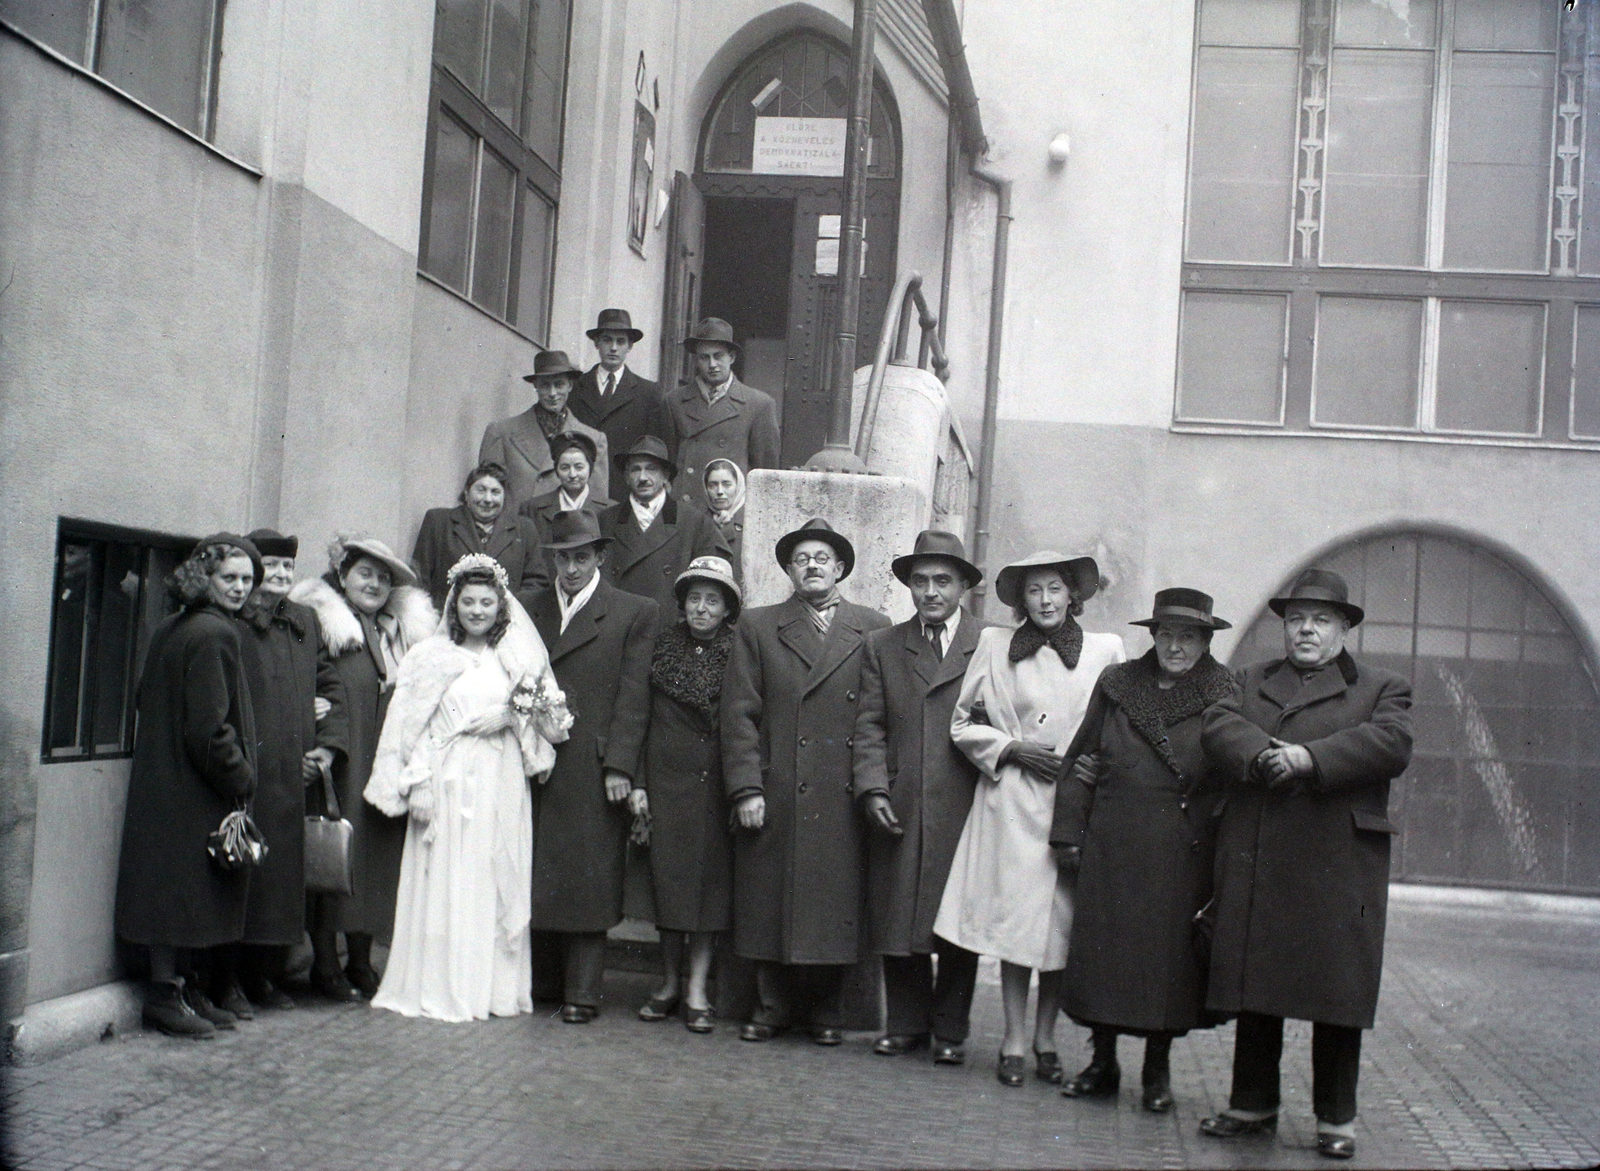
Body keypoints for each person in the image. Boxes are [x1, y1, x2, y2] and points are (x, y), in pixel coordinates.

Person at [1198, 569, 1413, 1161]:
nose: (1307, 630)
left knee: (1337, 993)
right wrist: (1269, 755)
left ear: (1344, 628)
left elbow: (1392, 743)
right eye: (1296, 619)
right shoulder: (1248, 680)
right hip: (1263, 852)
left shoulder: (1383, 686)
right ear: (1284, 626)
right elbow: (1217, 725)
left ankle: (1336, 1118)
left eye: (1321, 620)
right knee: (1257, 984)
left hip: (1339, 865)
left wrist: (1309, 758)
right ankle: (1252, 1104)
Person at [936, 551, 1126, 1087]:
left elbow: (1120, 723)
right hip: (1014, 799)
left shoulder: (1105, 650)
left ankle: (1047, 1037)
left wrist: (1093, 764)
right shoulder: (997, 645)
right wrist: (1012, 748)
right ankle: (1015, 1037)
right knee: (1019, 922)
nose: (1045, 601)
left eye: (1054, 590)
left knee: (1061, 926)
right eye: (1034, 591)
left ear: (1073, 596)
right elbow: (961, 722)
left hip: (1074, 802)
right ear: (1021, 600)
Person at [1050, 588, 1237, 1112]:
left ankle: (1157, 1072)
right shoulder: (1117, 685)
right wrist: (1069, 833)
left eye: (1189, 636)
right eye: (1167, 634)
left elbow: (1230, 773)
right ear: (1152, 636)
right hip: (1111, 840)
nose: (1176, 646)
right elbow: (1080, 756)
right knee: (1104, 958)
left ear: (1205, 641)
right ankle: (1101, 1062)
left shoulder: (1224, 693)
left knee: (1166, 964)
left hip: (1181, 847)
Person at [364, 554, 571, 1021]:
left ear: (501, 608)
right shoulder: (427, 656)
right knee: (443, 880)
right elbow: (407, 727)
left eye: (486, 603)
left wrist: (513, 715)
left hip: (499, 779)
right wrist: (417, 781)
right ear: (453, 606)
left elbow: (551, 724)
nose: (477, 611)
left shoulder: (515, 658)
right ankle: (437, 985)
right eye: (468, 602)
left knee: (489, 879)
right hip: (444, 777)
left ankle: (490, 990)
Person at [721, 518, 891, 1045]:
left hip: (840, 789)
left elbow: (875, 717)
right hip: (780, 788)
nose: (812, 565)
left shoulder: (873, 627)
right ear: (789, 570)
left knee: (833, 903)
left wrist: (871, 786)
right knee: (770, 902)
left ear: (840, 569)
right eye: (801, 559)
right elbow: (739, 714)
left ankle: (827, 1011)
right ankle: (772, 1007)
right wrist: (746, 787)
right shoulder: (757, 624)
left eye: (822, 557)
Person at [115, 534, 262, 1038]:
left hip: (165, 780)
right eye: (230, 578)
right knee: (186, 891)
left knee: (180, 890)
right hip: (194, 784)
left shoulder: (172, 627)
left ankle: (185, 989)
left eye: (247, 579)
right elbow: (209, 728)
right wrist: (241, 777)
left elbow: (142, 697)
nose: (241, 587)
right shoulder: (216, 634)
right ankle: (166, 996)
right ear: (205, 578)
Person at [852, 531, 989, 1066]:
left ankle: (951, 1030)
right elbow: (869, 725)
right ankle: (905, 1024)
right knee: (898, 910)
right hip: (902, 795)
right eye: (920, 581)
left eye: (942, 581)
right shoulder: (883, 646)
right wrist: (872, 787)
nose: (931, 591)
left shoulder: (989, 643)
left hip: (966, 799)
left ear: (963, 588)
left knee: (957, 916)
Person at [524, 510, 658, 1021]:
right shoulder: (528, 605)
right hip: (536, 756)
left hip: (593, 762)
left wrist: (621, 764)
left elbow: (634, 695)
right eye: (563, 558)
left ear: (600, 557)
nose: (573, 569)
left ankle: (582, 991)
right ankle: (541, 983)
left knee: (587, 875)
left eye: (582, 557)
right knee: (539, 868)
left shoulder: (632, 611)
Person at [290, 536, 436, 1001]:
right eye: (364, 573)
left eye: (383, 577)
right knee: (337, 856)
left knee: (376, 859)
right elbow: (303, 677)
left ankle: (361, 958)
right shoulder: (324, 623)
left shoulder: (397, 630)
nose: (373, 584)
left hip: (385, 756)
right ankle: (325, 963)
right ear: (343, 575)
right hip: (343, 755)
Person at [219, 528, 349, 1016]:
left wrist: (329, 749)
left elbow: (329, 684)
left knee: (280, 887)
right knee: (244, 881)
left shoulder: (303, 620)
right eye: (269, 567)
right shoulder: (234, 623)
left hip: (298, 778)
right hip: (253, 776)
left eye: (287, 569)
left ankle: (265, 976)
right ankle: (229, 980)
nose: (279, 575)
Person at [633, 556, 742, 1035]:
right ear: (683, 604)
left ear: (726, 610)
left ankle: (697, 986)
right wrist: (638, 781)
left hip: (715, 789)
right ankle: (668, 983)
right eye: (694, 598)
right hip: (666, 785)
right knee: (669, 887)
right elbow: (639, 717)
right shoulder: (661, 648)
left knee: (709, 893)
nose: (701, 608)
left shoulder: (740, 654)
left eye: (712, 600)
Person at [598, 436, 729, 616]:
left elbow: (707, 586)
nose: (643, 477)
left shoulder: (694, 522)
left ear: (665, 475)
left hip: (670, 628)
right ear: (627, 477)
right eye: (636, 470)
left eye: (651, 469)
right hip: (620, 625)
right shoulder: (605, 520)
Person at [664, 318, 780, 508]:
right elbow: (665, 467)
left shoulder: (758, 405)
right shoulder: (674, 401)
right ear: (696, 360)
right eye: (704, 357)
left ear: (732, 357)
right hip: (684, 511)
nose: (712, 364)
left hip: (727, 513)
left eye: (718, 356)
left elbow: (765, 477)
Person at [478, 350, 611, 509]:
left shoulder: (594, 440)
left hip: (568, 530)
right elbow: (487, 494)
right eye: (545, 385)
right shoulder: (501, 432)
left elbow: (597, 507)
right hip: (518, 529)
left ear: (570, 385)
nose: (552, 393)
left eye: (559, 384)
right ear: (536, 386)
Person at [412, 462, 545, 610]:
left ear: (504, 497)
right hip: (448, 619)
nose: (488, 499)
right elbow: (419, 578)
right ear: (467, 493)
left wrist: (509, 610)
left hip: (506, 622)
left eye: (495, 492)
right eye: (481, 490)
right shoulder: (439, 523)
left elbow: (536, 583)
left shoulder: (524, 529)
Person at [568, 308, 673, 465]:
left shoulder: (649, 393)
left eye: (621, 341)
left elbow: (659, 449)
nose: (614, 348)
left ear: (630, 346)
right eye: (607, 340)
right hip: (581, 483)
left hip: (624, 485)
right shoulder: (575, 388)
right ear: (596, 343)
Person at [518, 432, 614, 543]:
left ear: (590, 469)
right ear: (557, 471)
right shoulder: (532, 509)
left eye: (579, 467)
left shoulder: (610, 509)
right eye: (565, 468)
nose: (572, 474)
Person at [701, 458, 746, 579]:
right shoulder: (698, 523)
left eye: (727, 484)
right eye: (713, 485)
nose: (720, 491)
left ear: (738, 486)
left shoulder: (750, 522)